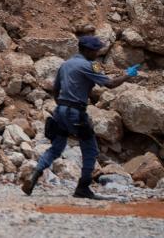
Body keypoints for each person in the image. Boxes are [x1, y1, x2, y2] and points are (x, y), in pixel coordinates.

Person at [22, 36, 139, 199]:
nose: (97, 53)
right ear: (86, 50)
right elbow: (111, 84)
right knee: (90, 149)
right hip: (76, 112)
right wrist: (128, 74)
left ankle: (34, 174)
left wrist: (63, 108)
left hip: (60, 110)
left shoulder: (65, 64)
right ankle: (83, 188)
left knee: (56, 147)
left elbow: (56, 90)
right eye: (95, 50)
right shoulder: (90, 65)